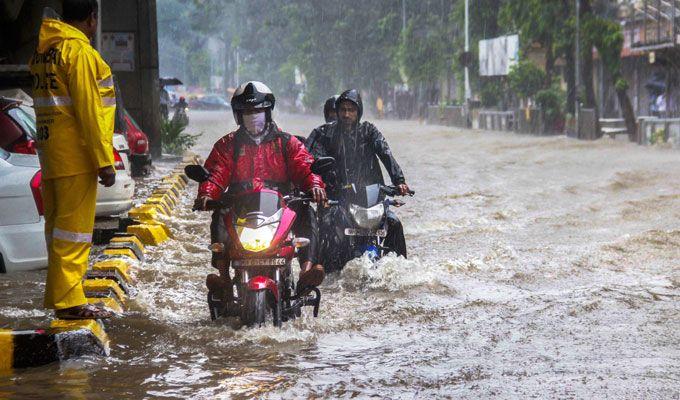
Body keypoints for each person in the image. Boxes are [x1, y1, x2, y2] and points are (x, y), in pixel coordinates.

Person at [194, 81, 327, 296]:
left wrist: (314, 185)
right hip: (240, 206)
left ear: (267, 112)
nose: (252, 115)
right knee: (220, 214)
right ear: (239, 115)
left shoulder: (287, 143)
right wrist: (207, 194)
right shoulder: (228, 145)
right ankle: (224, 279)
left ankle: (306, 272)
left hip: (281, 205)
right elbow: (216, 173)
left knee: (307, 212)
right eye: (247, 111)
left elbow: (305, 167)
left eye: (257, 111)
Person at [29, 0, 116, 319]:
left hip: (52, 154)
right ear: (92, 18)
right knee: (74, 233)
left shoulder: (44, 51)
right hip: (76, 156)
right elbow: (89, 112)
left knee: (57, 232)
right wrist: (103, 159)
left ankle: (61, 297)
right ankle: (69, 302)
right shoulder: (78, 53)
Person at [307, 89, 410, 262]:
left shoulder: (369, 131)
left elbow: (385, 152)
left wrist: (399, 181)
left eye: (351, 110)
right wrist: (318, 185)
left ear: (359, 112)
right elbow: (309, 161)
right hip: (335, 197)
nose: (347, 114)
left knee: (394, 223)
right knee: (326, 226)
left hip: (370, 197)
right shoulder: (324, 133)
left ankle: (401, 266)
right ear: (337, 112)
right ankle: (321, 269)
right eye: (343, 110)